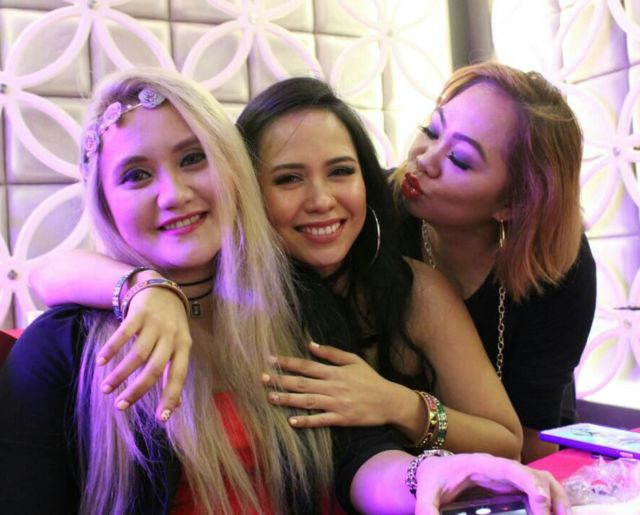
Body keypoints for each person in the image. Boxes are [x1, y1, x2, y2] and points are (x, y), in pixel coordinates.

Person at [2, 68, 572, 515]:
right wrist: (145, 287)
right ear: (104, 202)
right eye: (136, 175)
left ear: (231, 174)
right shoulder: (62, 350)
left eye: (194, 159)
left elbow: (357, 458)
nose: (174, 194)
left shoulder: (295, 312)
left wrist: (428, 473)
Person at [391, 62, 596, 462]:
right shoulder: (373, 215)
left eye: (460, 159)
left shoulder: (557, 266)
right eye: (431, 130)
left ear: (513, 203)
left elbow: (531, 445)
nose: (426, 159)